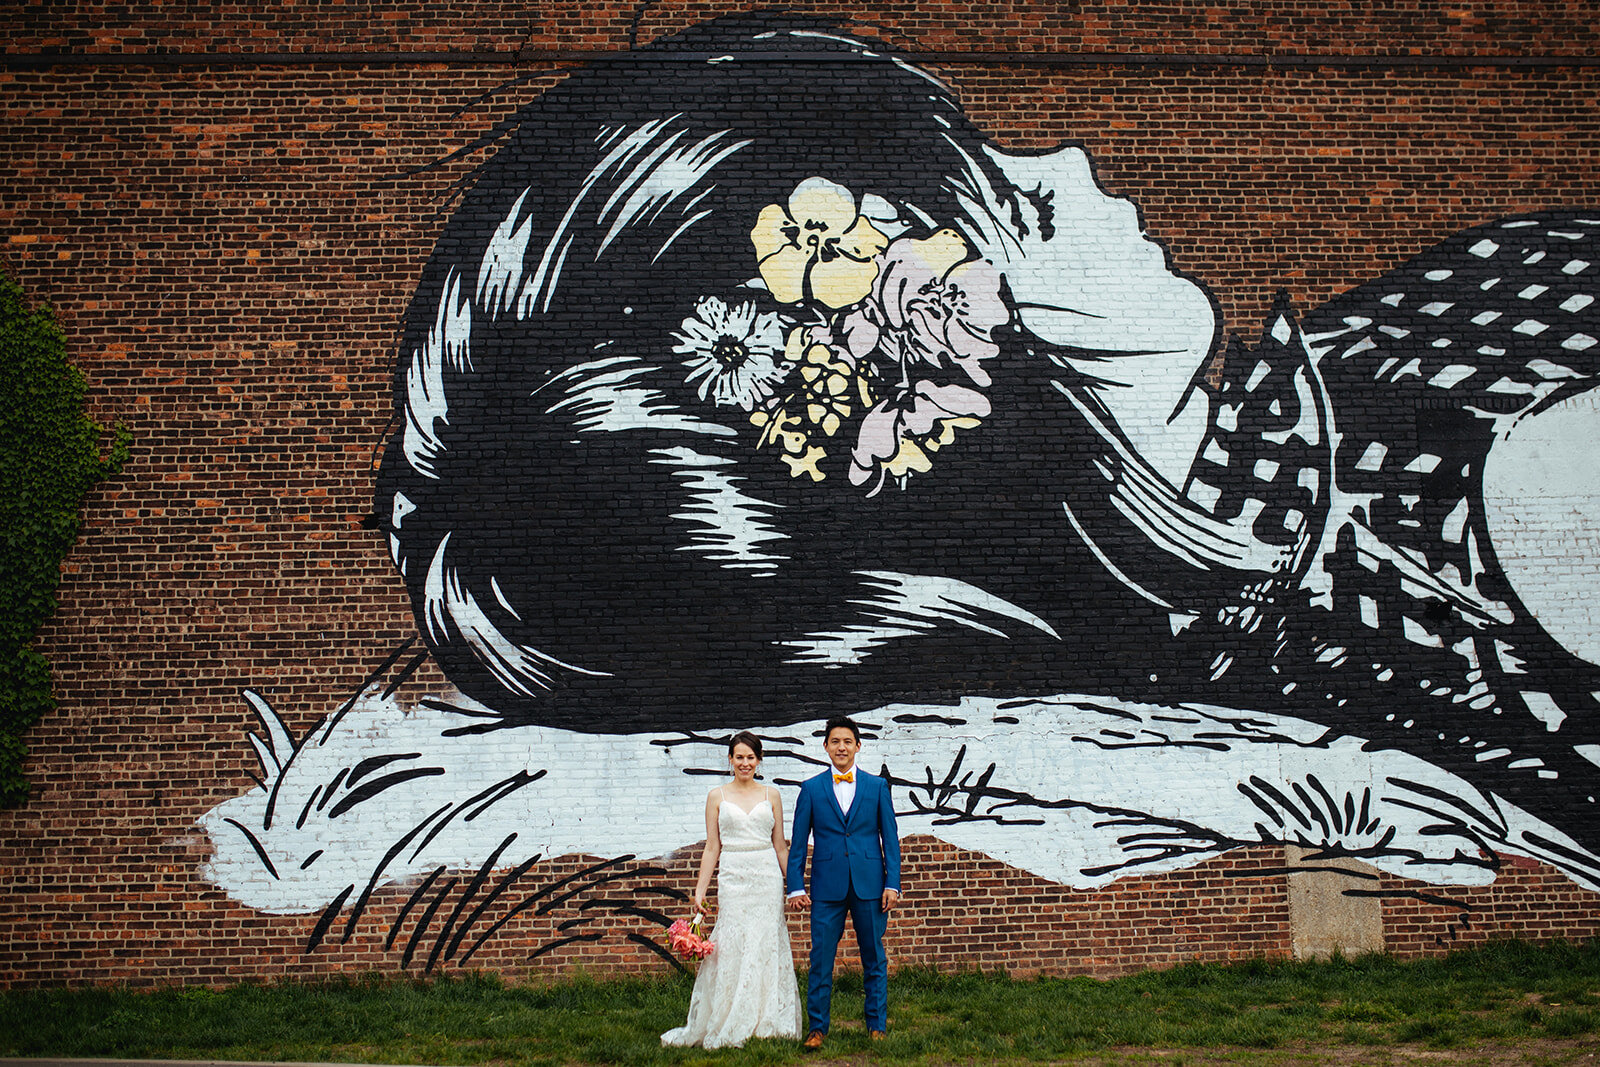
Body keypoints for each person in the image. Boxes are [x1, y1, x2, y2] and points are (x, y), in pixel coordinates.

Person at [661, 731, 804, 1048]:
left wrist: (795, 886)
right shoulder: (717, 796)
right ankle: (728, 1016)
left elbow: (780, 847)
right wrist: (699, 892)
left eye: (750, 757)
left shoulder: (772, 795)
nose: (745, 763)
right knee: (733, 941)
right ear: (730, 759)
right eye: (739, 757)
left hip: (766, 876)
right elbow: (712, 847)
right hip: (733, 875)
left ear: (759, 760)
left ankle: (767, 1018)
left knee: (765, 941)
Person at [785, 716, 901, 1048]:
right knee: (820, 957)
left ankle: (876, 1024)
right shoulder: (810, 789)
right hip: (826, 887)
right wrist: (796, 886)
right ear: (825, 746)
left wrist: (892, 883)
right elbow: (798, 840)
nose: (841, 747)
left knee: (874, 957)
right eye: (835, 741)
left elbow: (889, 840)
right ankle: (817, 1028)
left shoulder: (877, 787)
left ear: (858, 746)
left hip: (870, 885)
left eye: (847, 741)